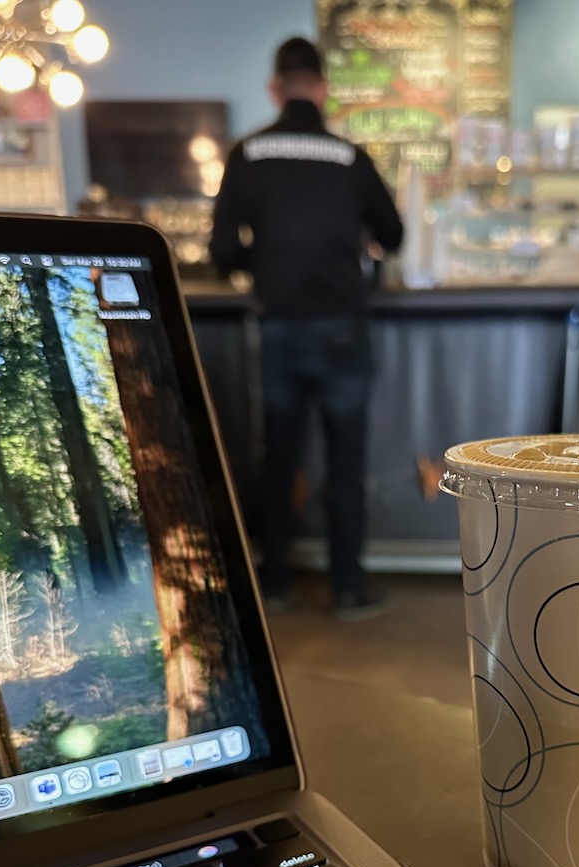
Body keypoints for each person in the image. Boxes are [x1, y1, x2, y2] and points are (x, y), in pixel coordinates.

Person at [210, 36, 403, 619]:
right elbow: (393, 235)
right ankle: (348, 587)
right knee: (346, 456)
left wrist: (262, 266)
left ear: (275, 88)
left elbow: (221, 250)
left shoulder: (247, 154)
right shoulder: (350, 156)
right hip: (344, 323)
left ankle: (274, 582)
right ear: (322, 89)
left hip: (281, 327)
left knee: (279, 456)